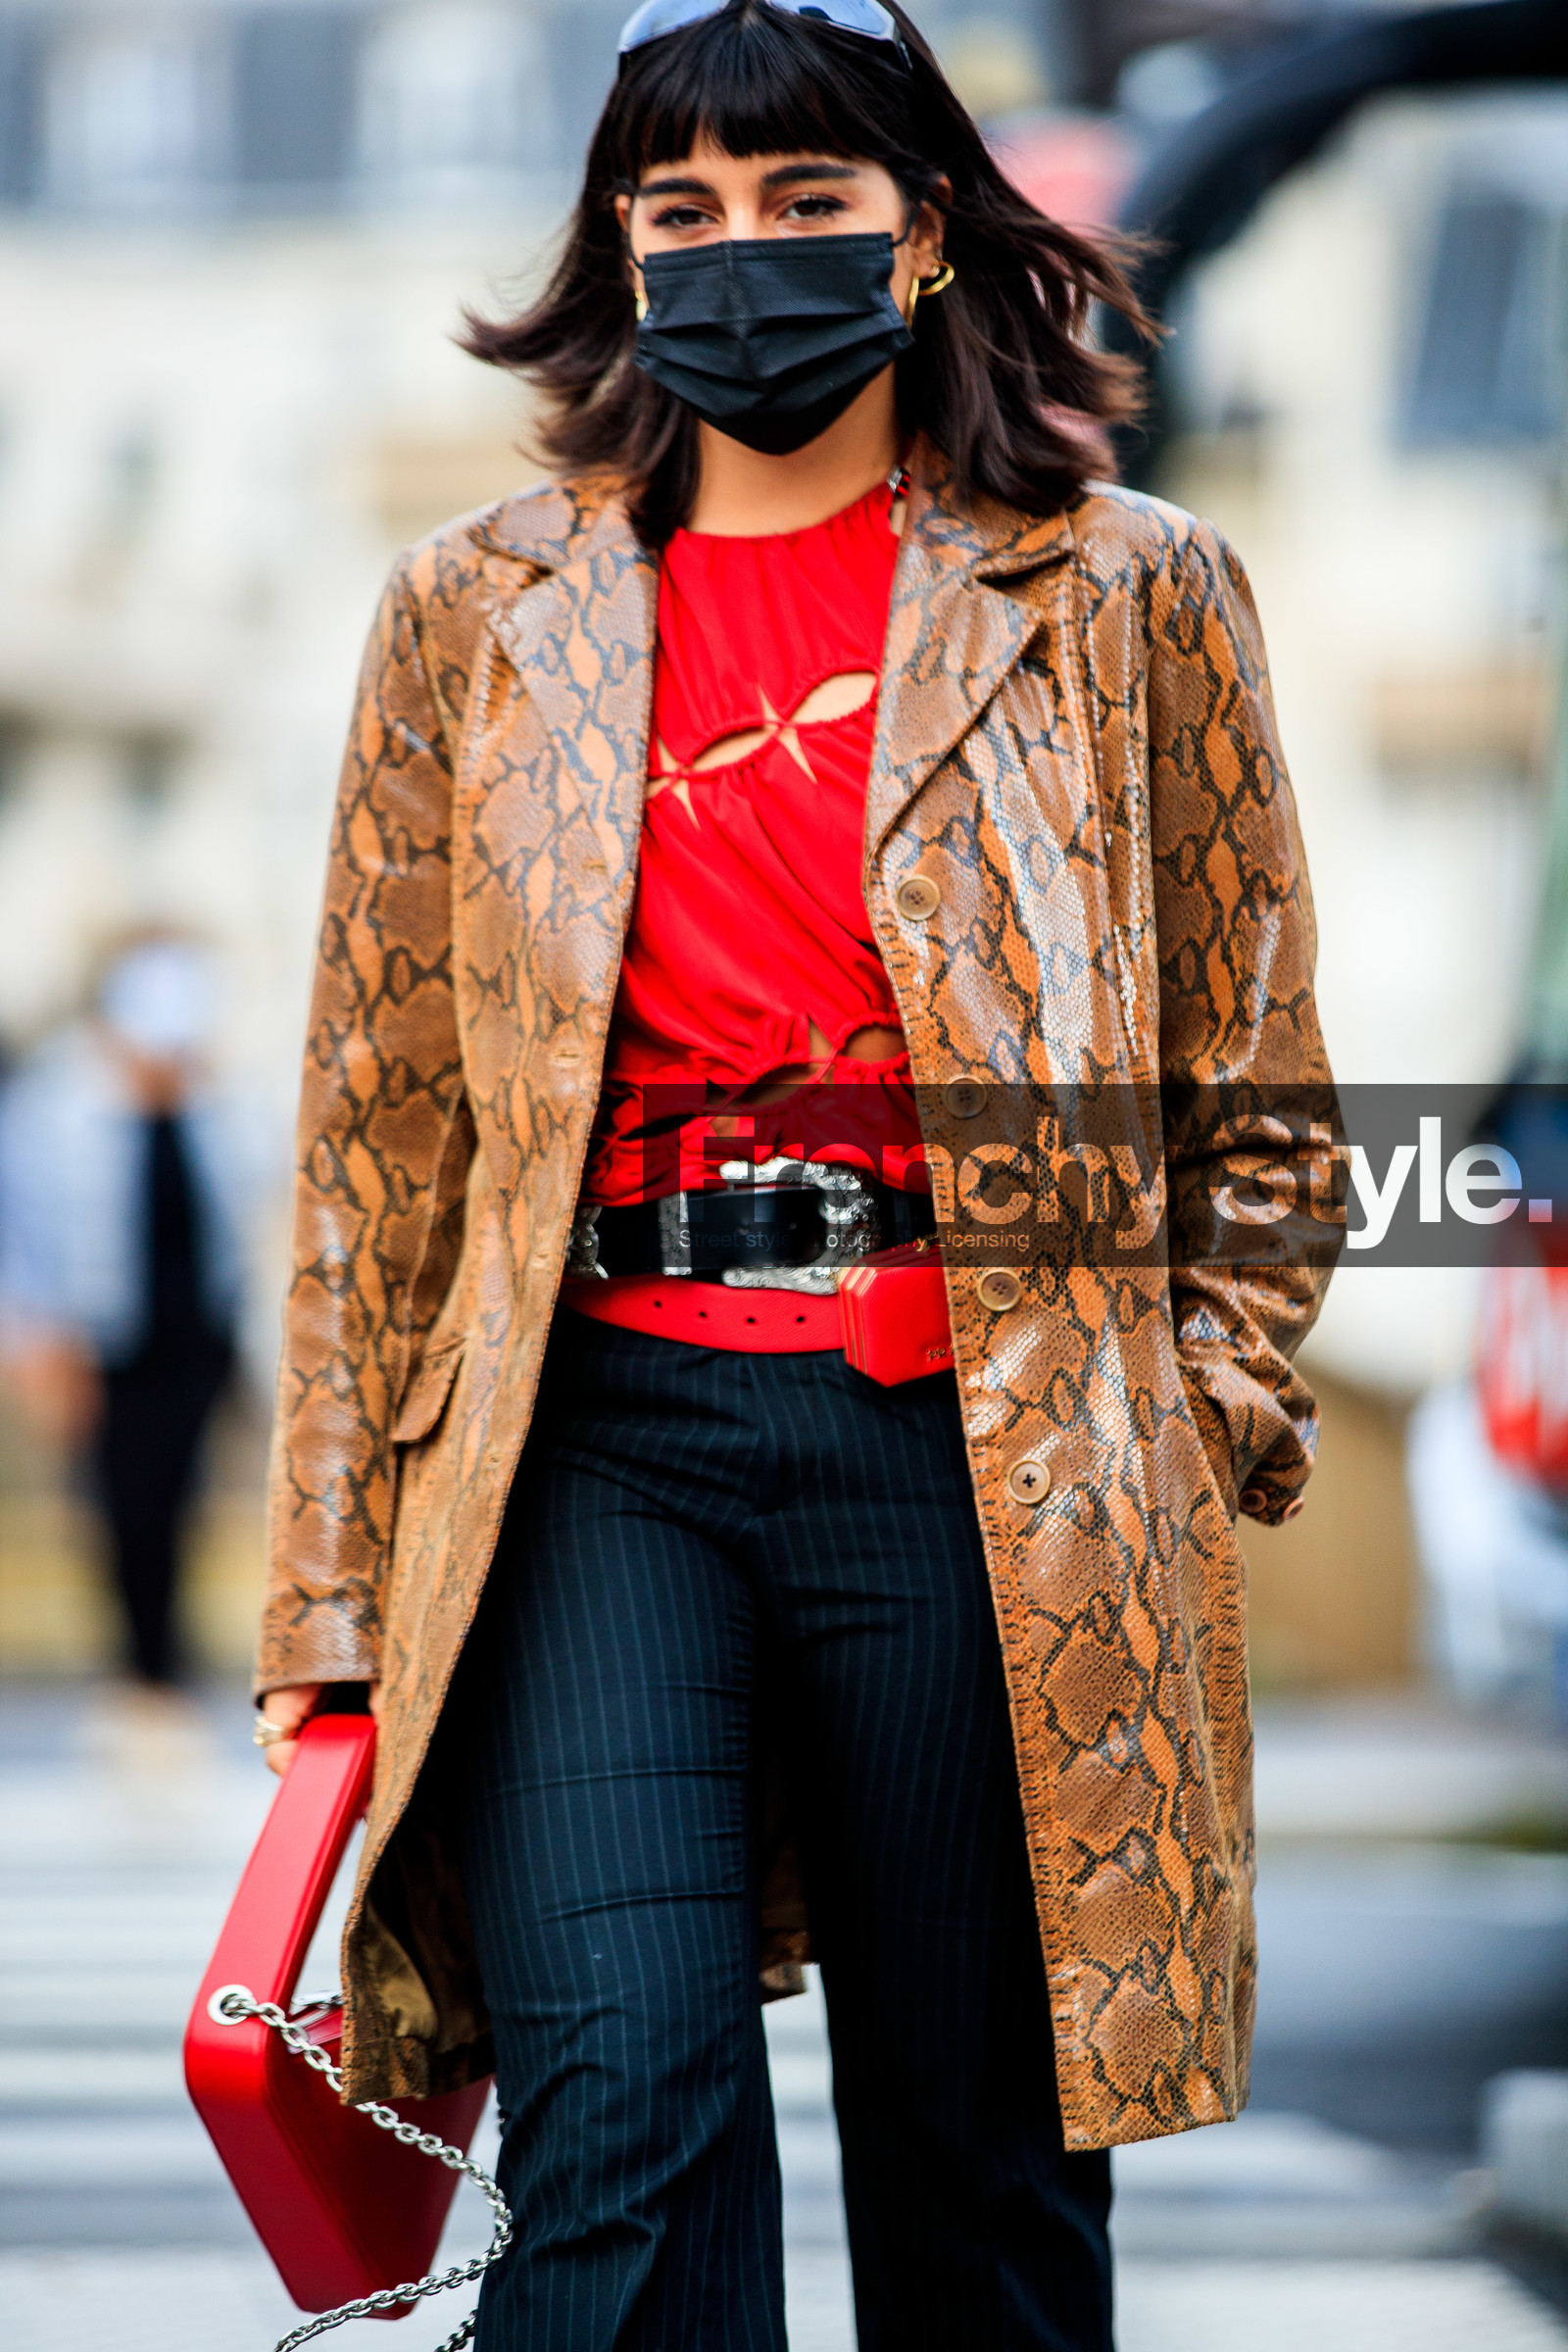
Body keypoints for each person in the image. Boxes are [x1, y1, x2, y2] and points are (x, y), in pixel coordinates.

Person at [253, 5, 1338, 2346]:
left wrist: (1181, 1412)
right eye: (682, 208)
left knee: (980, 2183)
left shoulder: (1123, 589)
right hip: (590, 1450)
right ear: (621, 247)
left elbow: (1251, 1093)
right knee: (614, 2151)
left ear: (921, 232)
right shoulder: (474, 610)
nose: (739, 249)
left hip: (987, 1451)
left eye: (802, 198)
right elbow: (377, 1131)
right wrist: (329, 1593)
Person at [0, 934, 251, 1696]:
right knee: (123, 1506)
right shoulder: (55, 1108)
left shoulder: (222, 1109)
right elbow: (22, 1230)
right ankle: (142, 1669)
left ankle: (166, 1664)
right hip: (104, 1344)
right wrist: (35, 1338)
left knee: (184, 1501)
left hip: (198, 1338)